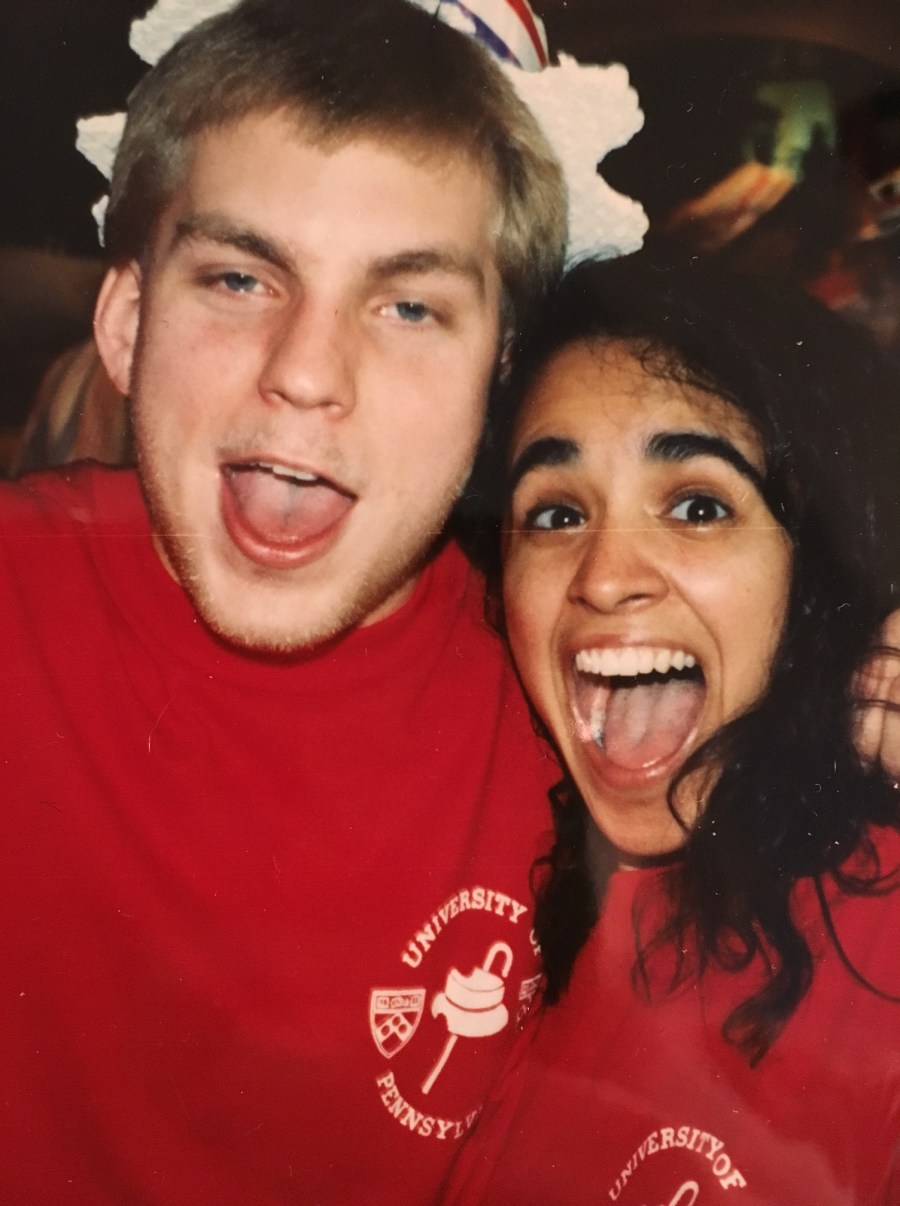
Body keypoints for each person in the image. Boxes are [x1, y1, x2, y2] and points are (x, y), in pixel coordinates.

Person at [0, 2, 568, 1200]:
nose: (307, 370)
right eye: (241, 277)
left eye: (409, 306)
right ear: (126, 320)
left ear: (501, 381)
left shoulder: (572, 701)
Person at [445, 256, 900, 1203]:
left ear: (818, 572)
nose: (606, 576)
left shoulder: (880, 945)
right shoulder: (540, 884)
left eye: (698, 505)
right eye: (556, 513)